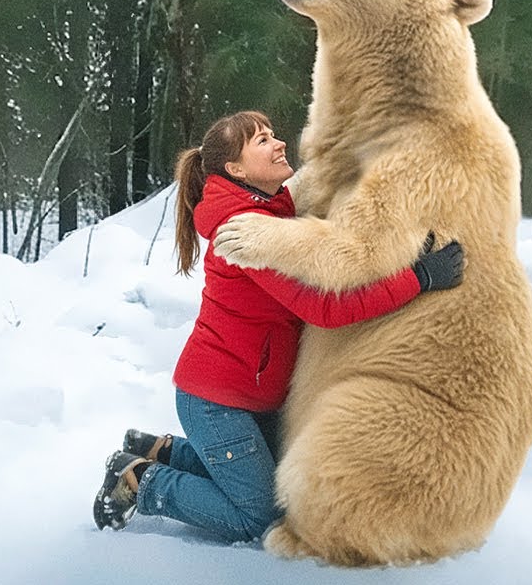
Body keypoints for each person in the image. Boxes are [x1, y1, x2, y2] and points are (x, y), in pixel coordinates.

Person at [92, 110, 464, 543]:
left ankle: (160, 449)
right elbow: (323, 306)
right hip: (215, 402)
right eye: (262, 141)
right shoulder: (247, 235)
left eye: (273, 134)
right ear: (236, 169)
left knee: (272, 475)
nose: (279, 143)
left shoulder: (269, 206)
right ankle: (141, 479)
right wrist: (420, 278)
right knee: (259, 517)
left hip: (247, 395)